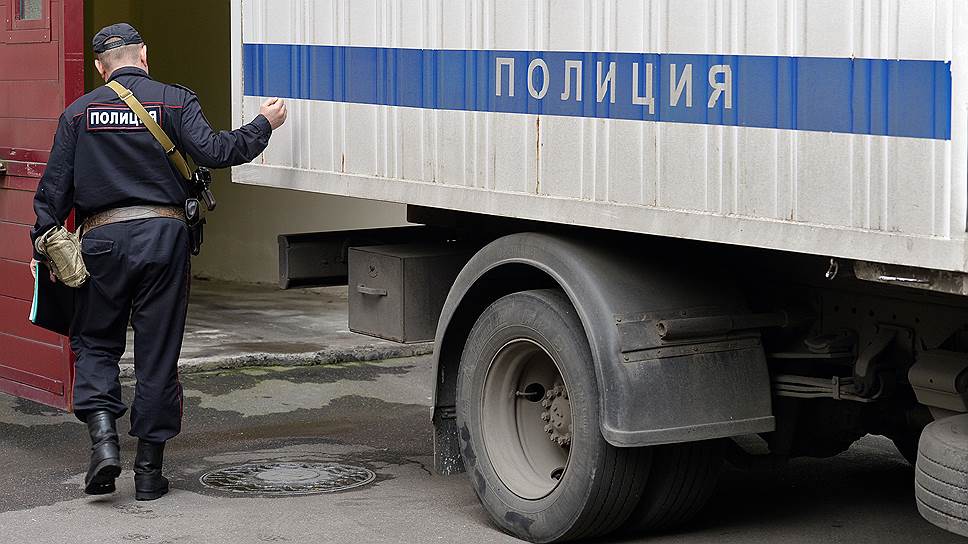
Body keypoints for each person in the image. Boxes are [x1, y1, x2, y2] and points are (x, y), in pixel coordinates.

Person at [29, 22, 288, 501]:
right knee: (158, 352)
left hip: (102, 242)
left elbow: (52, 195)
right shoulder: (174, 101)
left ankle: (104, 444)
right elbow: (216, 150)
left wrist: (44, 247)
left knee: (96, 344)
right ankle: (149, 473)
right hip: (164, 240)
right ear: (144, 55)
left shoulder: (78, 114)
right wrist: (263, 125)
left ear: (99, 67)